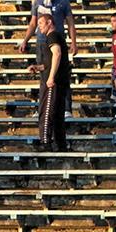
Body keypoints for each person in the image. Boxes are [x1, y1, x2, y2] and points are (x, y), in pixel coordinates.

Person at [19, 0, 77, 118]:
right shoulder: (38, 1)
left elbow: (70, 22)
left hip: (57, 40)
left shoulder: (62, 2)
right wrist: (25, 40)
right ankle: (44, 107)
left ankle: (66, 108)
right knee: (44, 74)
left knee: (61, 73)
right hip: (41, 41)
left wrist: (73, 42)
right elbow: (33, 23)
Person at [28, 14, 70, 152]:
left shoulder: (52, 36)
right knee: (57, 113)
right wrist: (38, 67)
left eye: (41, 23)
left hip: (53, 82)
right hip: (58, 80)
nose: (39, 26)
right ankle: (60, 144)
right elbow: (50, 62)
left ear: (49, 22)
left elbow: (57, 54)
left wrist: (51, 78)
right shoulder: (54, 37)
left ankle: (45, 142)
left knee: (46, 111)